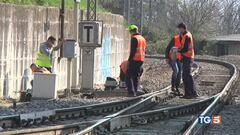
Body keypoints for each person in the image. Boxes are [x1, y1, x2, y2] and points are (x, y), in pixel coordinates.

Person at [177, 23, 198, 98]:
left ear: (183, 28)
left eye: (179, 29)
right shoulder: (186, 35)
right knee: (185, 75)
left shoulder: (187, 36)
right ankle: (188, 93)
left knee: (187, 75)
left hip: (188, 57)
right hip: (187, 57)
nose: (179, 30)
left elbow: (185, 48)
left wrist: (177, 50)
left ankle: (192, 93)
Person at [126, 25, 147, 96]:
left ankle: (131, 92)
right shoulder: (142, 38)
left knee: (128, 76)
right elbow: (144, 50)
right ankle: (135, 91)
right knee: (135, 76)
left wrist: (129, 60)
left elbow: (133, 51)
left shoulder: (134, 38)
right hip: (141, 59)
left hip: (134, 59)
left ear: (131, 31)